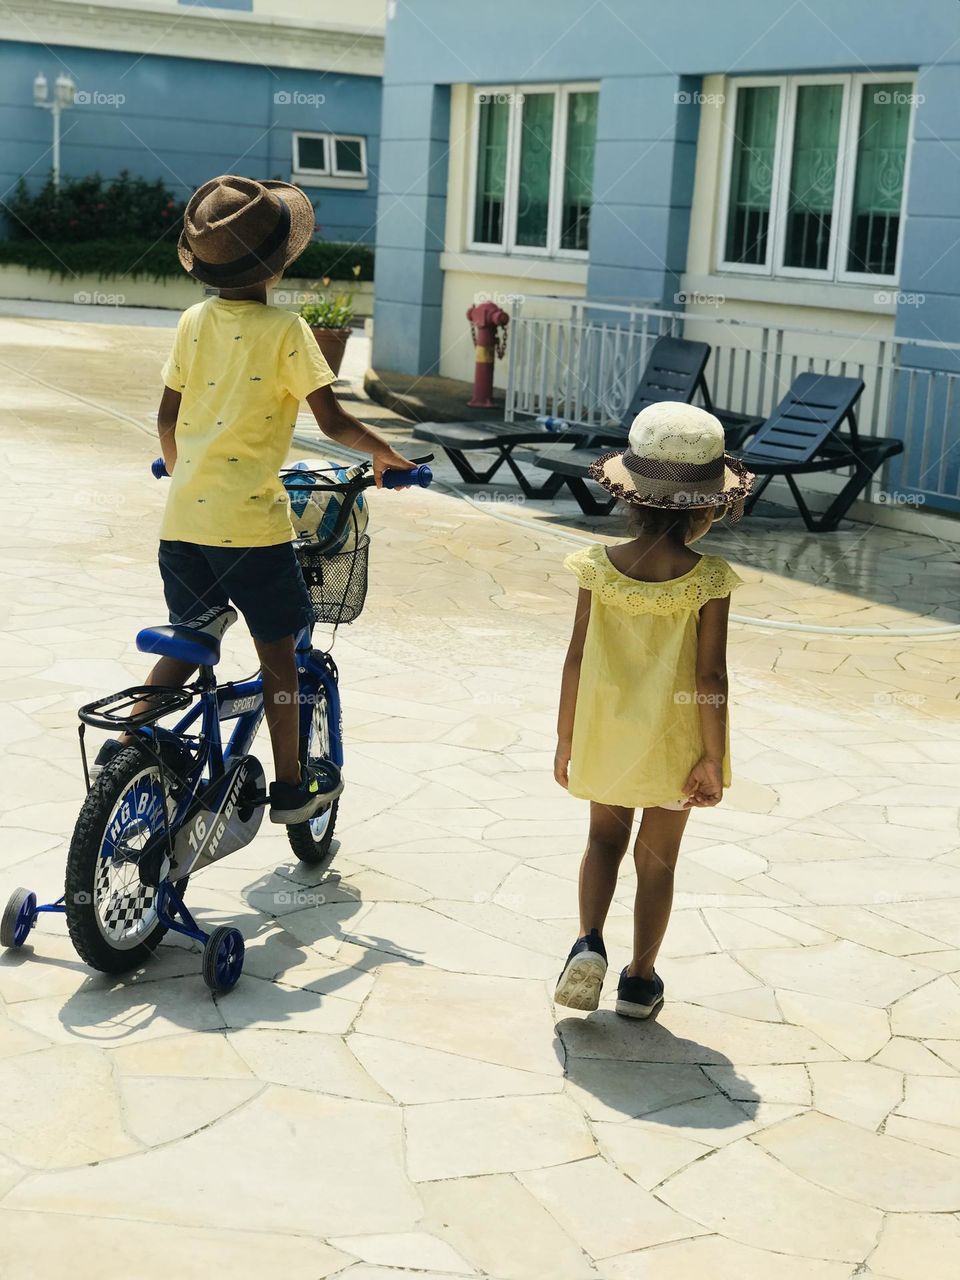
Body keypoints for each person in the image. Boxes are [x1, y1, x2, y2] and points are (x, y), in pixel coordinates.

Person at [92, 174, 415, 823]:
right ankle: (292, 787)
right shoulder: (287, 329)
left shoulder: (192, 321)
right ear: (278, 262)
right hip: (253, 533)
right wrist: (387, 456)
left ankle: (128, 739)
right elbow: (333, 424)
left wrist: (183, 469)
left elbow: (166, 419)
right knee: (280, 656)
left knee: (192, 636)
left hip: (184, 523)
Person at [553, 402, 753, 1018]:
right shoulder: (709, 577)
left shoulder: (597, 566)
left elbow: (577, 660)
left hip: (607, 731)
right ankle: (640, 980)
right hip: (677, 744)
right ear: (705, 507)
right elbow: (710, 674)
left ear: (630, 498)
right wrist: (712, 757)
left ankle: (587, 943)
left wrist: (566, 742)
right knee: (657, 860)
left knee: (602, 840)